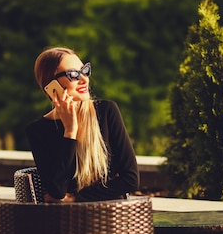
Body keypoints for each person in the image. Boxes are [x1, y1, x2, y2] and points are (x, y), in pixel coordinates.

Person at [26, 46, 139, 202]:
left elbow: (131, 180)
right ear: (52, 86)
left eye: (84, 71)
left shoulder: (106, 111)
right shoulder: (38, 130)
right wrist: (70, 131)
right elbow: (57, 190)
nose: (84, 79)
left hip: (112, 217)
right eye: (73, 74)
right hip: (67, 222)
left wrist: (75, 197)